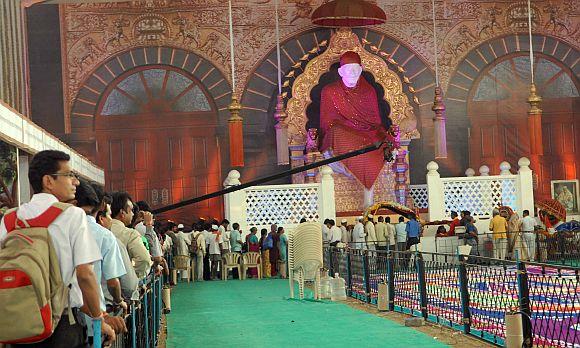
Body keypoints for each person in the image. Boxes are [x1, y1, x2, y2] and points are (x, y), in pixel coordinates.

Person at [0, 150, 115, 346]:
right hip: (62, 326)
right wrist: (99, 319)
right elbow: (85, 274)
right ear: (48, 181)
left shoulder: (10, 219)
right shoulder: (72, 216)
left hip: (16, 324)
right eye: (69, 175)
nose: (75, 182)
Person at [319, 51, 396, 190]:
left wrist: (363, 128)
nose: (353, 73)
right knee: (336, 132)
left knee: (381, 137)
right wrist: (350, 126)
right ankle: (357, 165)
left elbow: (375, 122)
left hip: (367, 133)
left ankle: (367, 172)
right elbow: (327, 123)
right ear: (341, 72)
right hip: (344, 133)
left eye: (356, 69)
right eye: (349, 69)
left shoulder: (369, 90)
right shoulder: (330, 91)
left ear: (361, 70)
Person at [74, 179, 128, 338]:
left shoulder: (57, 228)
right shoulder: (105, 236)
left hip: (61, 321)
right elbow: (112, 281)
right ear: (102, 205)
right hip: (96, 319)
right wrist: (118, 302)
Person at [110, 192, 152, 279]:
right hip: (124, 286)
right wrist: (131, 276)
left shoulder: (99, 231)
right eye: (131, 210)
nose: (133, 214)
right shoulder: (130, 234)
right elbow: (144, 259)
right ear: (122, 213)